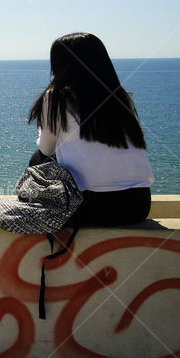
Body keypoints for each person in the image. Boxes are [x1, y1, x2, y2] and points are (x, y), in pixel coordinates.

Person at [28, 32, 153, 225]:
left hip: (92, 206)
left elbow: (46, 149)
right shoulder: (120, 97)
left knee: (38, 159)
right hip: (138, 205)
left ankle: (33, 204)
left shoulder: (57, 97)